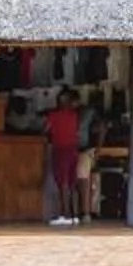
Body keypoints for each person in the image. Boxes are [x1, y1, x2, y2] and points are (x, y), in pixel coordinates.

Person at [41, 87, 83, 224]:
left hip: (60, 150)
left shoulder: (53, 116)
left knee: (63, 183)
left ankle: (64, 215)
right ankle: (74, 215)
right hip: (73, 151)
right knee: (72, 183)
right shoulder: (74, 116)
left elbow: (45, 130)